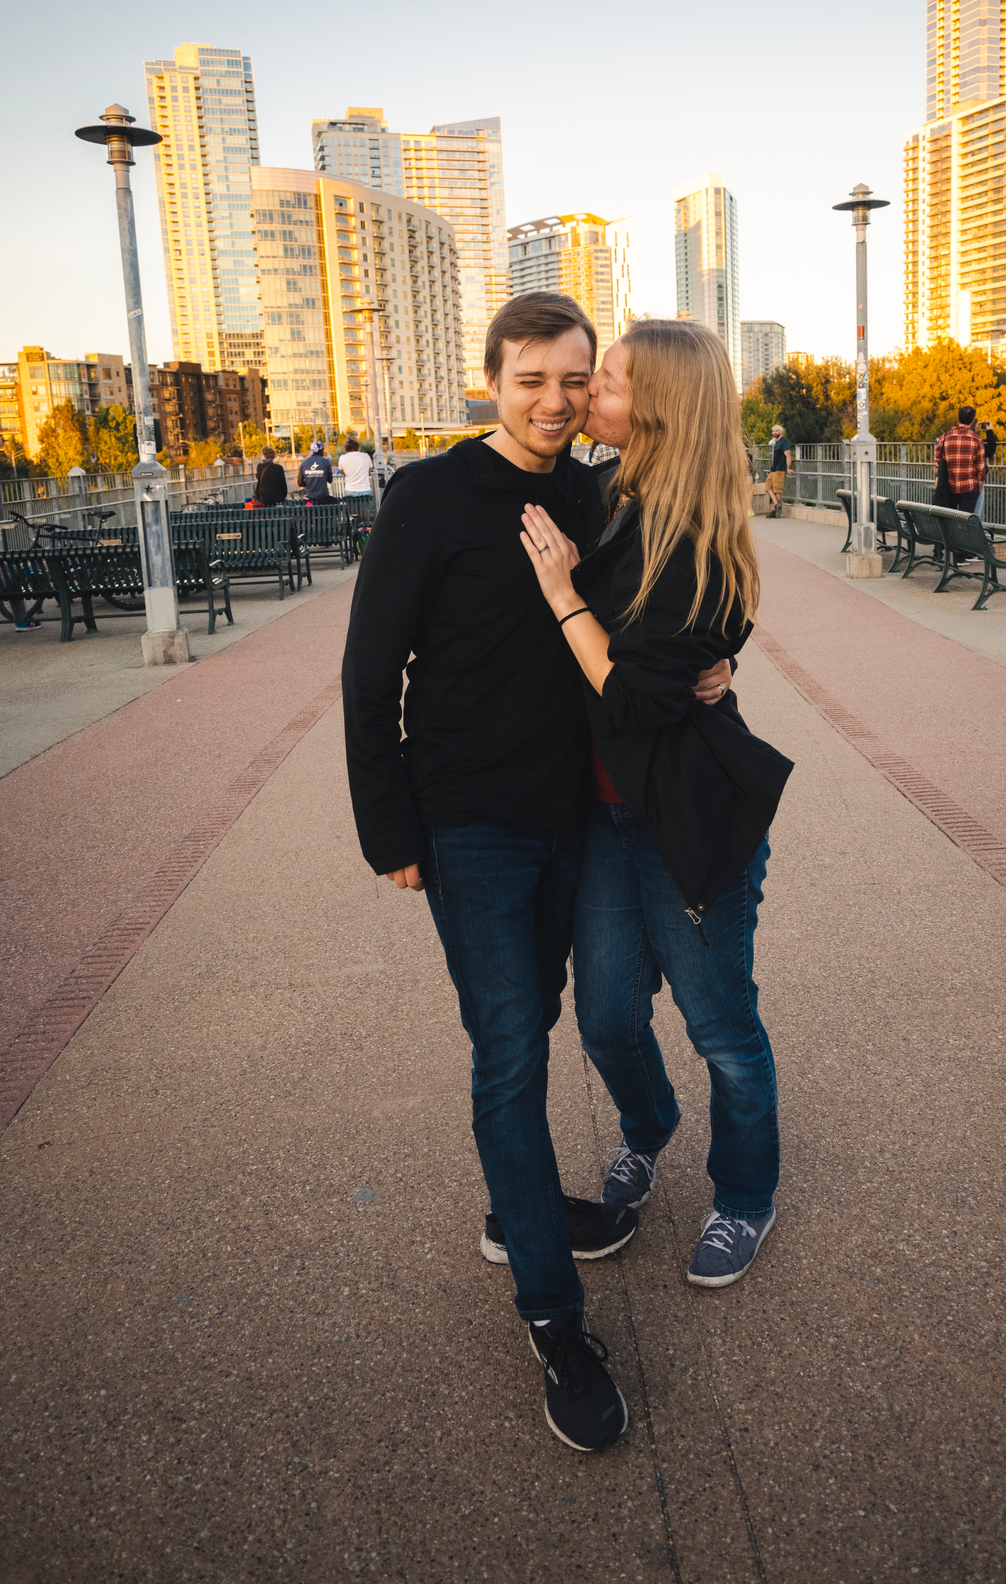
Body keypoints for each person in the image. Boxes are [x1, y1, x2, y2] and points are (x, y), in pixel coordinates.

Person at [342, 291, 733, 1454]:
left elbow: (675, 595)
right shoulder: (429, 497)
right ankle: (556, 1318)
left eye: (577, 380)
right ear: (492, 379)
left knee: (558, 1013)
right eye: (533, 382)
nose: (558, 401)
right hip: (471, 825)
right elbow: (371, 676)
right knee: (509, 1044)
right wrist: (390, 831)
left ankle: (520, 1210)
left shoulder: (601, 490)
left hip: (584, 819)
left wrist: (718, 666)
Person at [519, 319, 793, 1293]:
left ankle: (744, 1195)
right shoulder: (607, 493)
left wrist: (562, 593)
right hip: (601, 813)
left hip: (685, 818)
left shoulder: (705, 540)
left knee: (721, 1026)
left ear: (664, 408)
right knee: (604, 1019)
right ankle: (649, 1130)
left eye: (610, 383)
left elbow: (633, 694)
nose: (588, 394)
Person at [934, 406, 987, 515]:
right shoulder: (977, 439)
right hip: (970, 486)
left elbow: (937, 461)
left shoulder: (945, 437)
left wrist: (939, 477)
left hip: (949, 487)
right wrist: (980, 485)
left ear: (958, 418)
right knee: (966, 520)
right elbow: (981, 467)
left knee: (950, 518)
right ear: (972, 421)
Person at [766, 424, 791, 517]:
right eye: (773, 431)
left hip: (780, 469)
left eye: (776, 431)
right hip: (774, 469)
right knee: (767, 486)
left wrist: (788, 467)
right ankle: (777, 504)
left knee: (777, 490)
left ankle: (776, 511)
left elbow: (788, 454)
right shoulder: (776, 442)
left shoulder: (784, 441)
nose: (774, 432)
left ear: (781, 431)